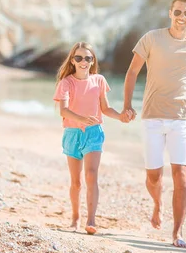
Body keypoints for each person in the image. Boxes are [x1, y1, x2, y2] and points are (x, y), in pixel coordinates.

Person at [122, 0, 186, 248]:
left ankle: (177, 232)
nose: (181, 17)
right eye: (178, 12)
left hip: (183, 117)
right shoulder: (151, 38)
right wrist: (127, 104)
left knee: (181, 175)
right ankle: (158, 203)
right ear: (169, 13)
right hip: (152, 115)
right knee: (153, 176)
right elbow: (132, 71)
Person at [53, 42, 130, 234]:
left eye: (87, 58)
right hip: (72, 134)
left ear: (92, 60)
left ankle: (91, 220)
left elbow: (105, 108)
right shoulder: (66, 83)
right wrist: (81, 119)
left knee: (91, 175)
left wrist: (120, 116)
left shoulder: (99, 80)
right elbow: (63, 110)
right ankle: (75, 219)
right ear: (72, 61)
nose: (83, 61)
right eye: (78, 58)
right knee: (76, 181)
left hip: (94, 133)